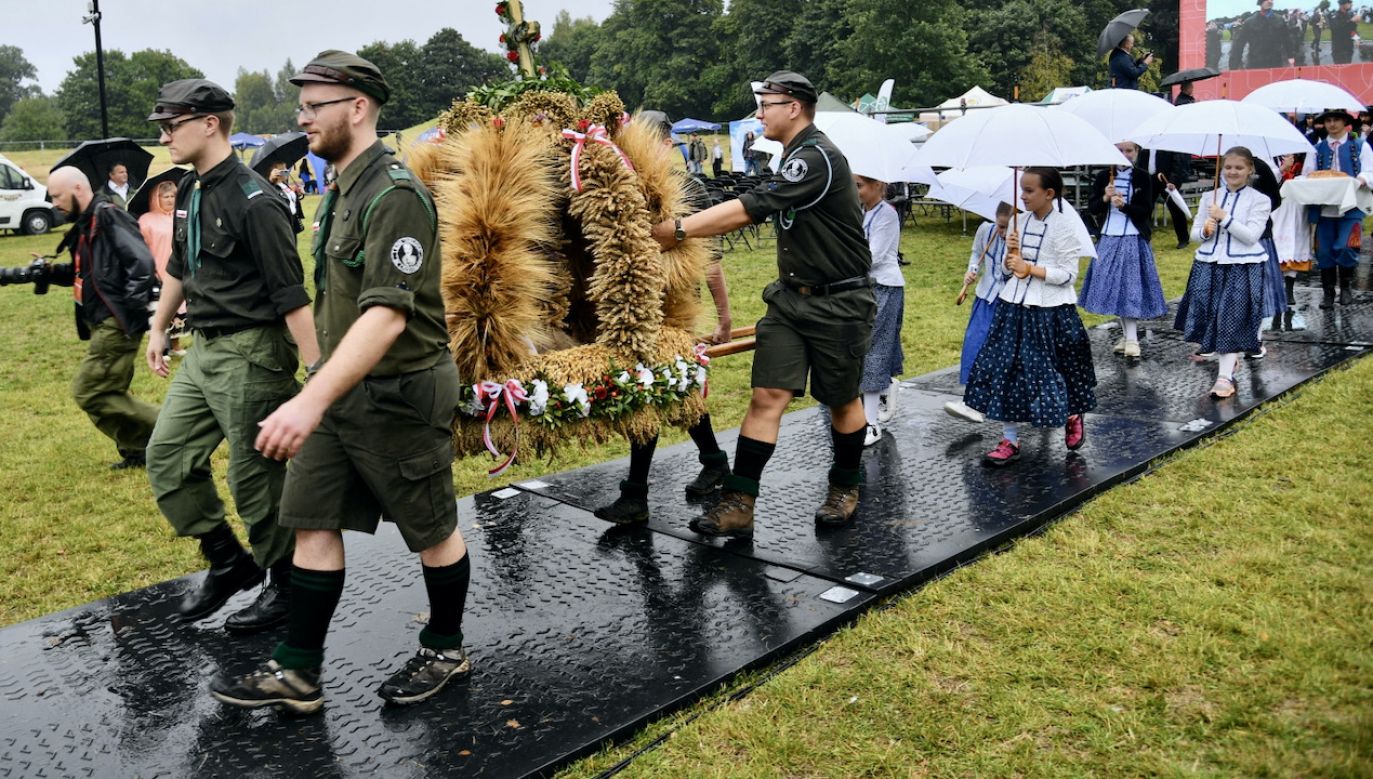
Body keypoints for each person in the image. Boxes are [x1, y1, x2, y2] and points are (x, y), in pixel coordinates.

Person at [211, 50, 472, 713]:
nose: (301, 120)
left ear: (356, 108)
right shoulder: (341, 189)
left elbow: (386, 317)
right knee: (311, 520)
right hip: (337, 389)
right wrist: (320, 386)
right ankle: (298, 671)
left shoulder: (395, 194)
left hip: (400, 391)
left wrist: (307, 399)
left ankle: (445, 647)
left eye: (311, 107)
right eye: (300, 106)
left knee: (432, 529)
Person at [649, 71, 875, 537]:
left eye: (766, 104)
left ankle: (844, 487)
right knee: (766, 396)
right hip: (790, 302)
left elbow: (751, 207)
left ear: (793, 107)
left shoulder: (815, 157)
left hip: (840, 304)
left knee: (841, 401)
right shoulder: (795, 155)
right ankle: (738, 504)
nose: (758, 113)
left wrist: (675, 232)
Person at [143, 79, 319, 635]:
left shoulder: (256, 201)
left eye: (173, 125)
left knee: (255, 479)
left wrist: (317, 378)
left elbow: (292, 295)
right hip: (203, 349)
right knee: (167, 456)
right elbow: (180, 267)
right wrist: (158, 329)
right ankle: (227, 561)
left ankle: (287, 587)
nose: (166, 135)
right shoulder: (190, 191)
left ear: (210, 123)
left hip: (253, 350)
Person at [593, 116, 735, 526]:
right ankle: (713, 462)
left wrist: (724, 318)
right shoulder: (627, 189)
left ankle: (636, 495)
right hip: (638, 310)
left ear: (667, 142)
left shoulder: (688, 188)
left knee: (652, 393)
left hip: (672, 313)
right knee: (674, 391)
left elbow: (711, 262)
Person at [963, 168, 1096, 467]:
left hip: (1051, 310)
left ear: (1049, 193)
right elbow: (1009, 271)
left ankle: (1072, 414)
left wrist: (1031, 269)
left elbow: (1068, 275)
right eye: (1021, 189)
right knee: (1006, 369)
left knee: (1055, 370)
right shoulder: (1016, 222)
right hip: (1013, 306)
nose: (1022, 196)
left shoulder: (1064, 227)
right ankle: (1009, 438)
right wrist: (1012, 258)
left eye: (1029, 191)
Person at [41, 166, 159, 469]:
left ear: (78, 189)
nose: (53, 203)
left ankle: (175, 435)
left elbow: (142, 263)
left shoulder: (108, 215)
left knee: (88, 390)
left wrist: (128, 313)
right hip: (101, 321)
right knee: (107, 393)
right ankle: (140, 450)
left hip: (114, 322)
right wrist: (51, 272)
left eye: (57, 196)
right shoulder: (86, 222)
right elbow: (90, 273)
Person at [1175, 146, 1271, 399]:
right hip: (1209, 264)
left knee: (1231, 318)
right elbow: (1196, 235)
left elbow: (1251, 236)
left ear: (1250, 169)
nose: (1232, 172)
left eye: (1239, 167)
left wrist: (1225, 218)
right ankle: (1230, 361)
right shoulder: (1210, 197)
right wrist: (1205, 230)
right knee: (1210, 318)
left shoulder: (1259, 200)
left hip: (1243, 266)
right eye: (1228, 167)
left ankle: (1224, 377)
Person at [1081, 141, 1166, 359]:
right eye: (1120, 150)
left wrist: (1124, 206)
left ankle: (1132, 339)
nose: (1125, 155)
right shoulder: (1103, 177)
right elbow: (1092, 208)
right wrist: (1105, 198)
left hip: (1132, 238)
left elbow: (1145, 210)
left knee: (1130, 287)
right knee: (1115, 288)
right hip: (1109, 237)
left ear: (1137, 153)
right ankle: (1127, 335)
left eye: (1129, 150)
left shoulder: (1142, 177)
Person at [945, 203, 1012, 425]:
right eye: (999, 225)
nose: (1001, 231)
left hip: (1008, 302)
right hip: (985, 296)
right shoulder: (986, 230)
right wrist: (972, 269)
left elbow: (1009, 273)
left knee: (1004, 354)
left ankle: (1001, 401)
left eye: (1006, 227)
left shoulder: (1020, 242)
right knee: (975, 343)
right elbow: (976, 252)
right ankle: (972, 402)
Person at [854, 174, 904, 446]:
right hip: (864, 288)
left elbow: (873, 257)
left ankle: (871, 423)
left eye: (859, 185)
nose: (855, 191)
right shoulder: (862, 211)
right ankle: (884, 387)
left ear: (878, 186)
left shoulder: (887, 215)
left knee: (873, 350)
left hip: (883, 287)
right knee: (866, 349)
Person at [1308, 108, 1372, 308]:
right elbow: (1308, 173)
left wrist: (1361, 179)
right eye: (1328, 120)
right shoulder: (1317, 149)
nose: (1332, 124)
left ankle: (1345, 288)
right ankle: (1328, 293)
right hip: (1325, 209)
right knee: (1324, 251)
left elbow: (1370, 169)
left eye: (1336, 120)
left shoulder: (1360, 146)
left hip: (1350, 208)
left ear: (1345, 122)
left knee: (1346, 246)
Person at [137, 179, 185, 355]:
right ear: (157, 198)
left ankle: (175, 345)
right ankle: (160, 349)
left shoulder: (180, 216)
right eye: (166, 196)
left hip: (179, 268)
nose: (170, 200)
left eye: (173, 196)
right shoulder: (146, 220)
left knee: (179, 306)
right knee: (159, 308)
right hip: (158, 268)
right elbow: (141, 247)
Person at [1246, 0, 1293, 68]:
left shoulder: (1279, 19)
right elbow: (1239, 43)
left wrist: (1290, 56)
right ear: (1260, 2)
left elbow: (1286, 39)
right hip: (1256, 61)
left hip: (1275, 60)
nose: (1270, 1)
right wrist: (1235, 64)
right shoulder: (1249, 22)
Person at [1330, 0, 1357, 65]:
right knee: (1339, 71)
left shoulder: (1350, 15)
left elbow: (1352, 30)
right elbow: (1337, 29)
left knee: (1348, 69)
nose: (1351, 4)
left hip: (1349, 48)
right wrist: (1351, 21)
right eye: (1349, 3)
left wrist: (1356, 38)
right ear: (1342, 4)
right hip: (1339, 49)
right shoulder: (1334, 15)